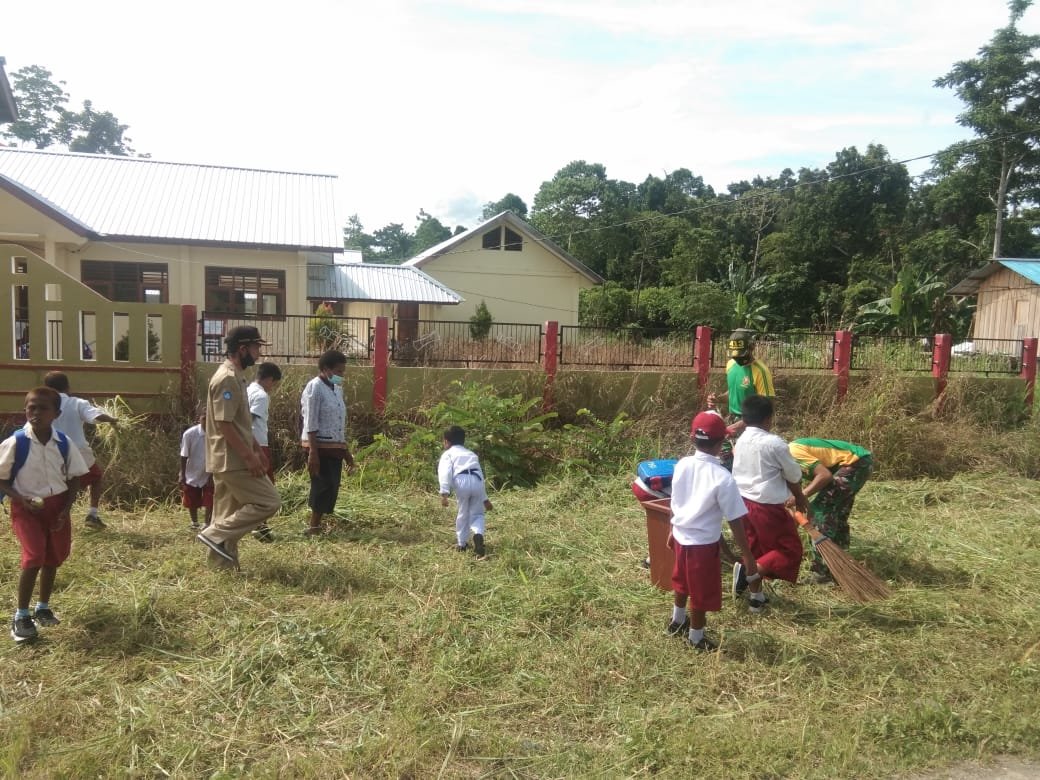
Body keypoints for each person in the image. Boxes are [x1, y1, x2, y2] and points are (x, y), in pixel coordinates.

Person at [666, 412, 761, 652]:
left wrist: (671, 528)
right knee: (701, 592)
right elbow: (735, 521)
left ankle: (677, 620)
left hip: (680, 537)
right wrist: (747, 555)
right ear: (722, 444)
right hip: (702, 546)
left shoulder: (682, 465)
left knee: (681, 581)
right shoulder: (722, 477)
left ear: (691, 439)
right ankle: (696, 637)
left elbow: (676, 502)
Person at [0, 387, 88, 642]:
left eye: (43, 408)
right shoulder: (16, 442)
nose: (36, 412)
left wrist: (66, 508)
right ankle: (21, 615)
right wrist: (20, 498)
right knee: (34, 555)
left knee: (53, 558)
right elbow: (2, 479)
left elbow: (74, 478)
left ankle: (43, 607)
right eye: (31, 407)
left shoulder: (63, 443)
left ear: (56, 413)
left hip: (56, 507)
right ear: (25, 409)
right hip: (26, 508)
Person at [196, 326, 281, 569]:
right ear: (242, 349)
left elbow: (240, 422)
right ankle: (212, 533)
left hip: (230, 457)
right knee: (269, 502)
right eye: (256, 348)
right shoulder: (227, 379)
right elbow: (224, 423)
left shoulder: (236, 376)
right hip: (232, 459)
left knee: (226, 512)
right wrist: (249, 456)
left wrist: (255, 449)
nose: (258, 354)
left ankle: (221, 569)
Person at [730, 394, 809, 609]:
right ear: (768, 419)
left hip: (742, 502)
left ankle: (756, 600)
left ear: (745, 419)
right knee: (789, 550)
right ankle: (747, 575)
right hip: (768, 506)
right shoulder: (774, 443)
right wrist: (800, 497)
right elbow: (794, 476)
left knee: (756, 549)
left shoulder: (742, 439)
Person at [787, 438, 873, 583]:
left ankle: (822, 573)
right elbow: (798, 493)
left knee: (821, 513)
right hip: (861, 462)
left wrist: (803, 496)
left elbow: (824, 476)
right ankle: (841, 562)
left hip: (854, 464)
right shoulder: (788, 460)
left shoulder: (793, 452)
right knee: (837, 514)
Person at [43, 371, 118, 530]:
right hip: (77, 452)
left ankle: (50, 518)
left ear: (46, 388)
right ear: (68, 387)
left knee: (56, 488)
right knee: (95, 477)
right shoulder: (76, 403)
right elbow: (95, 416)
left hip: (49, 454)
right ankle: (92, 514)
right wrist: (112, 419)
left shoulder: (43, 404)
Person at [300, 350, 355, 536]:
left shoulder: (337, 389)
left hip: (335, 446)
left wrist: (347, 453)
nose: (341, 375)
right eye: (339, 371)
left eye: (343, 372)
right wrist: (313, 453)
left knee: (332, 485)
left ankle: (317, 525)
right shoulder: (314, 387)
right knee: (322, 485)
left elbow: (338, 422)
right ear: (326, 369)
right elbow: (311, 420)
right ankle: (313, 527)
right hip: (319, 446)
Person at [708, 329, 775, 440]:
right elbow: (734, 393)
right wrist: (718, 399)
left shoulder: (760, 371)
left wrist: (739, 426)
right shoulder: (730, 365)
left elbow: (766, 408)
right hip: (733, 419)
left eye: (741, 355)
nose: (738, 359)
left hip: (753, 426)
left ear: (751, 348)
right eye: (735, 356)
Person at [438, 425, 494, 558]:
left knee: (463, 512)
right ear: (463, 441)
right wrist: (485, 499)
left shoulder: (448, 454)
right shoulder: (471, 454)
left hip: (461, 481)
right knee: (478, 514)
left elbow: (444, 473)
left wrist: (444, 493)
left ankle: (462, 544)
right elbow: (480, 475)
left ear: (447, 441)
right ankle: (478, 535)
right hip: (476, 482)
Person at [247, 361, 282, 543]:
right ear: (269, 379)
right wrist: (256, 451)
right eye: (273, 383)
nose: (272, 388)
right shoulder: (261, 396)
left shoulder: (247, 390)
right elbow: (249, 422)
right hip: (258, 445)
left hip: (247, 445)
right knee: (266, 488)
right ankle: (260, 526)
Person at [179, 408, 213, 531]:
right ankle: (194, 523)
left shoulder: (216, 434)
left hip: (209, 471)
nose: (207, 422)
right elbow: (184, 455)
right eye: (204, 419)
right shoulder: (190, 434)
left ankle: (207, 523)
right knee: (191, 498)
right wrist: (182, 474)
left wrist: (213, 475)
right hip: (192, 470)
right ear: (199, 419)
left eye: (210, 419)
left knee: (210, 497)